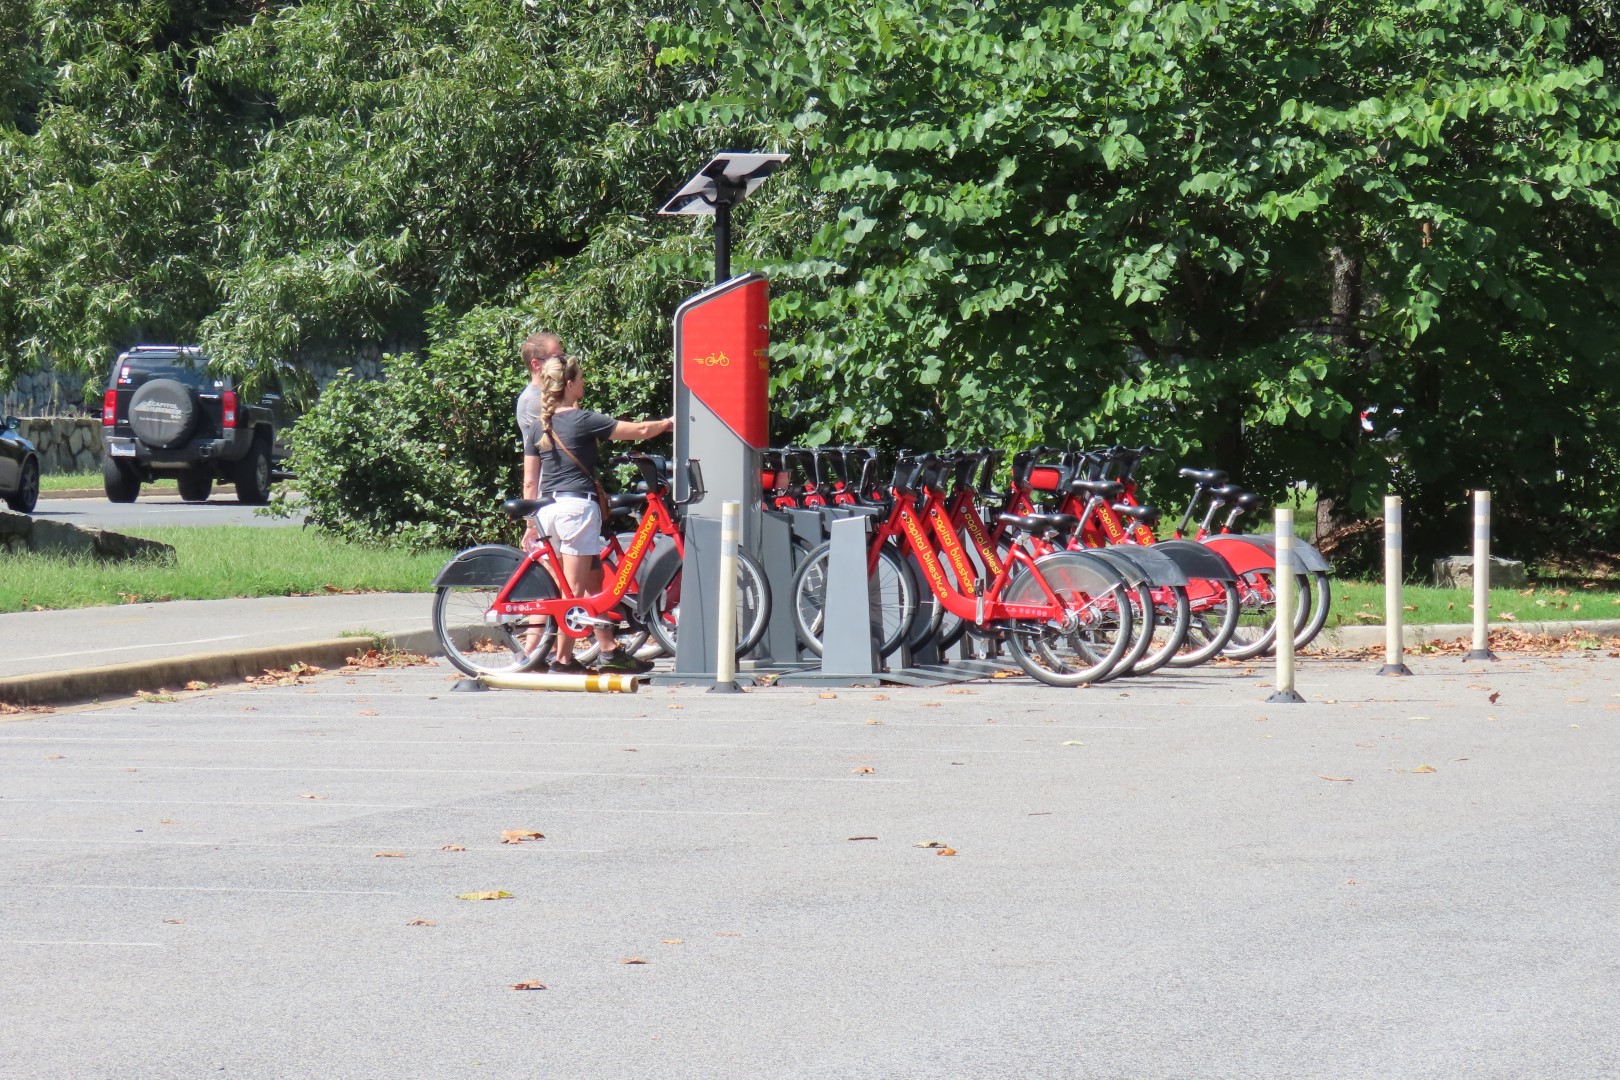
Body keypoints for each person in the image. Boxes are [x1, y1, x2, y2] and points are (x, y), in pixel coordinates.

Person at [523, 349, 674, 674]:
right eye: (581, 378)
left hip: (549, 509)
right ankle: (562, 661)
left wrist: (530, 524)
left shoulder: (541, 425)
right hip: (575, 510)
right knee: (574, 591)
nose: (585, 382)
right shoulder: (581, 419)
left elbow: (532, 478)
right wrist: (668, 424)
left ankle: (608, 649)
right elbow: (638, 431)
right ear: (570, 384)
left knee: (592, 584)